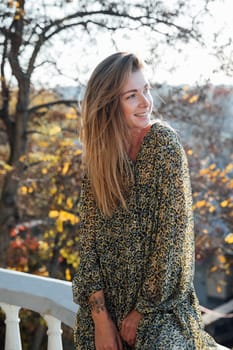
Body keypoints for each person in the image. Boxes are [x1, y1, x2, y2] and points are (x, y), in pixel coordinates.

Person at [72, 52, 229, 350]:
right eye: (132, 96)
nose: (146, 102)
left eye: (146, 90)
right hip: (107, 308)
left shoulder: (163, 143)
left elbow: (172, 238)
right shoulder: (99, 161)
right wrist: (101, 319)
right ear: (108, 104)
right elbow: (88, 244)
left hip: (159, 310)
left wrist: (143, 309)